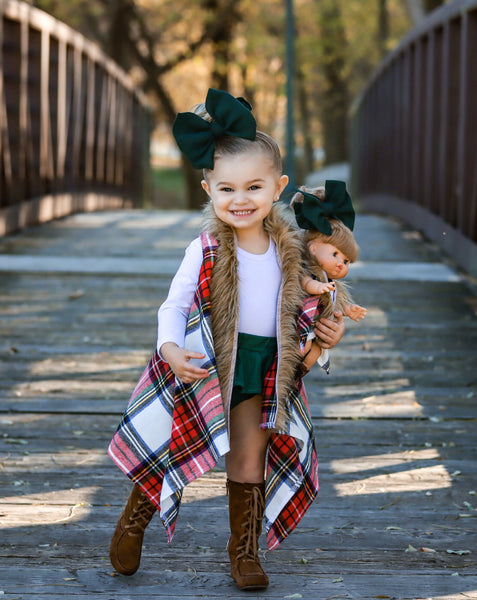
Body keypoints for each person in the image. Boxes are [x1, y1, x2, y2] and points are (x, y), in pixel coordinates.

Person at [107, 88, 345, 591]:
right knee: (175, 444)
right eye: (227, 189)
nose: (241, 200)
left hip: (263, 367)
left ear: (278, 187)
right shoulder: (208, 247)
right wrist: (171, 349)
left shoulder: (295, 254)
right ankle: (135, 519)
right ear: (208, 190)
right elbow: (173, 304)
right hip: (208, 360)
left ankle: (245, 551)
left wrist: (329, 334)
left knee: (247, 455)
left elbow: (314, 309)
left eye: (254, 187)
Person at [291, 182, 366, 373]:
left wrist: (348, 309)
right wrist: (315, 287)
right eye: (335, 255)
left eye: (347, 261)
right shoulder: (307, 270)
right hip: (300, 325)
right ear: (313, 247)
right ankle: (294, 372)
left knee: (316, 349)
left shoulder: (329, 282)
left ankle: (298, 375)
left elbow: (336, 302)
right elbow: (304, 281)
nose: (341, 263)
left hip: (316, 328)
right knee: (306, 345)